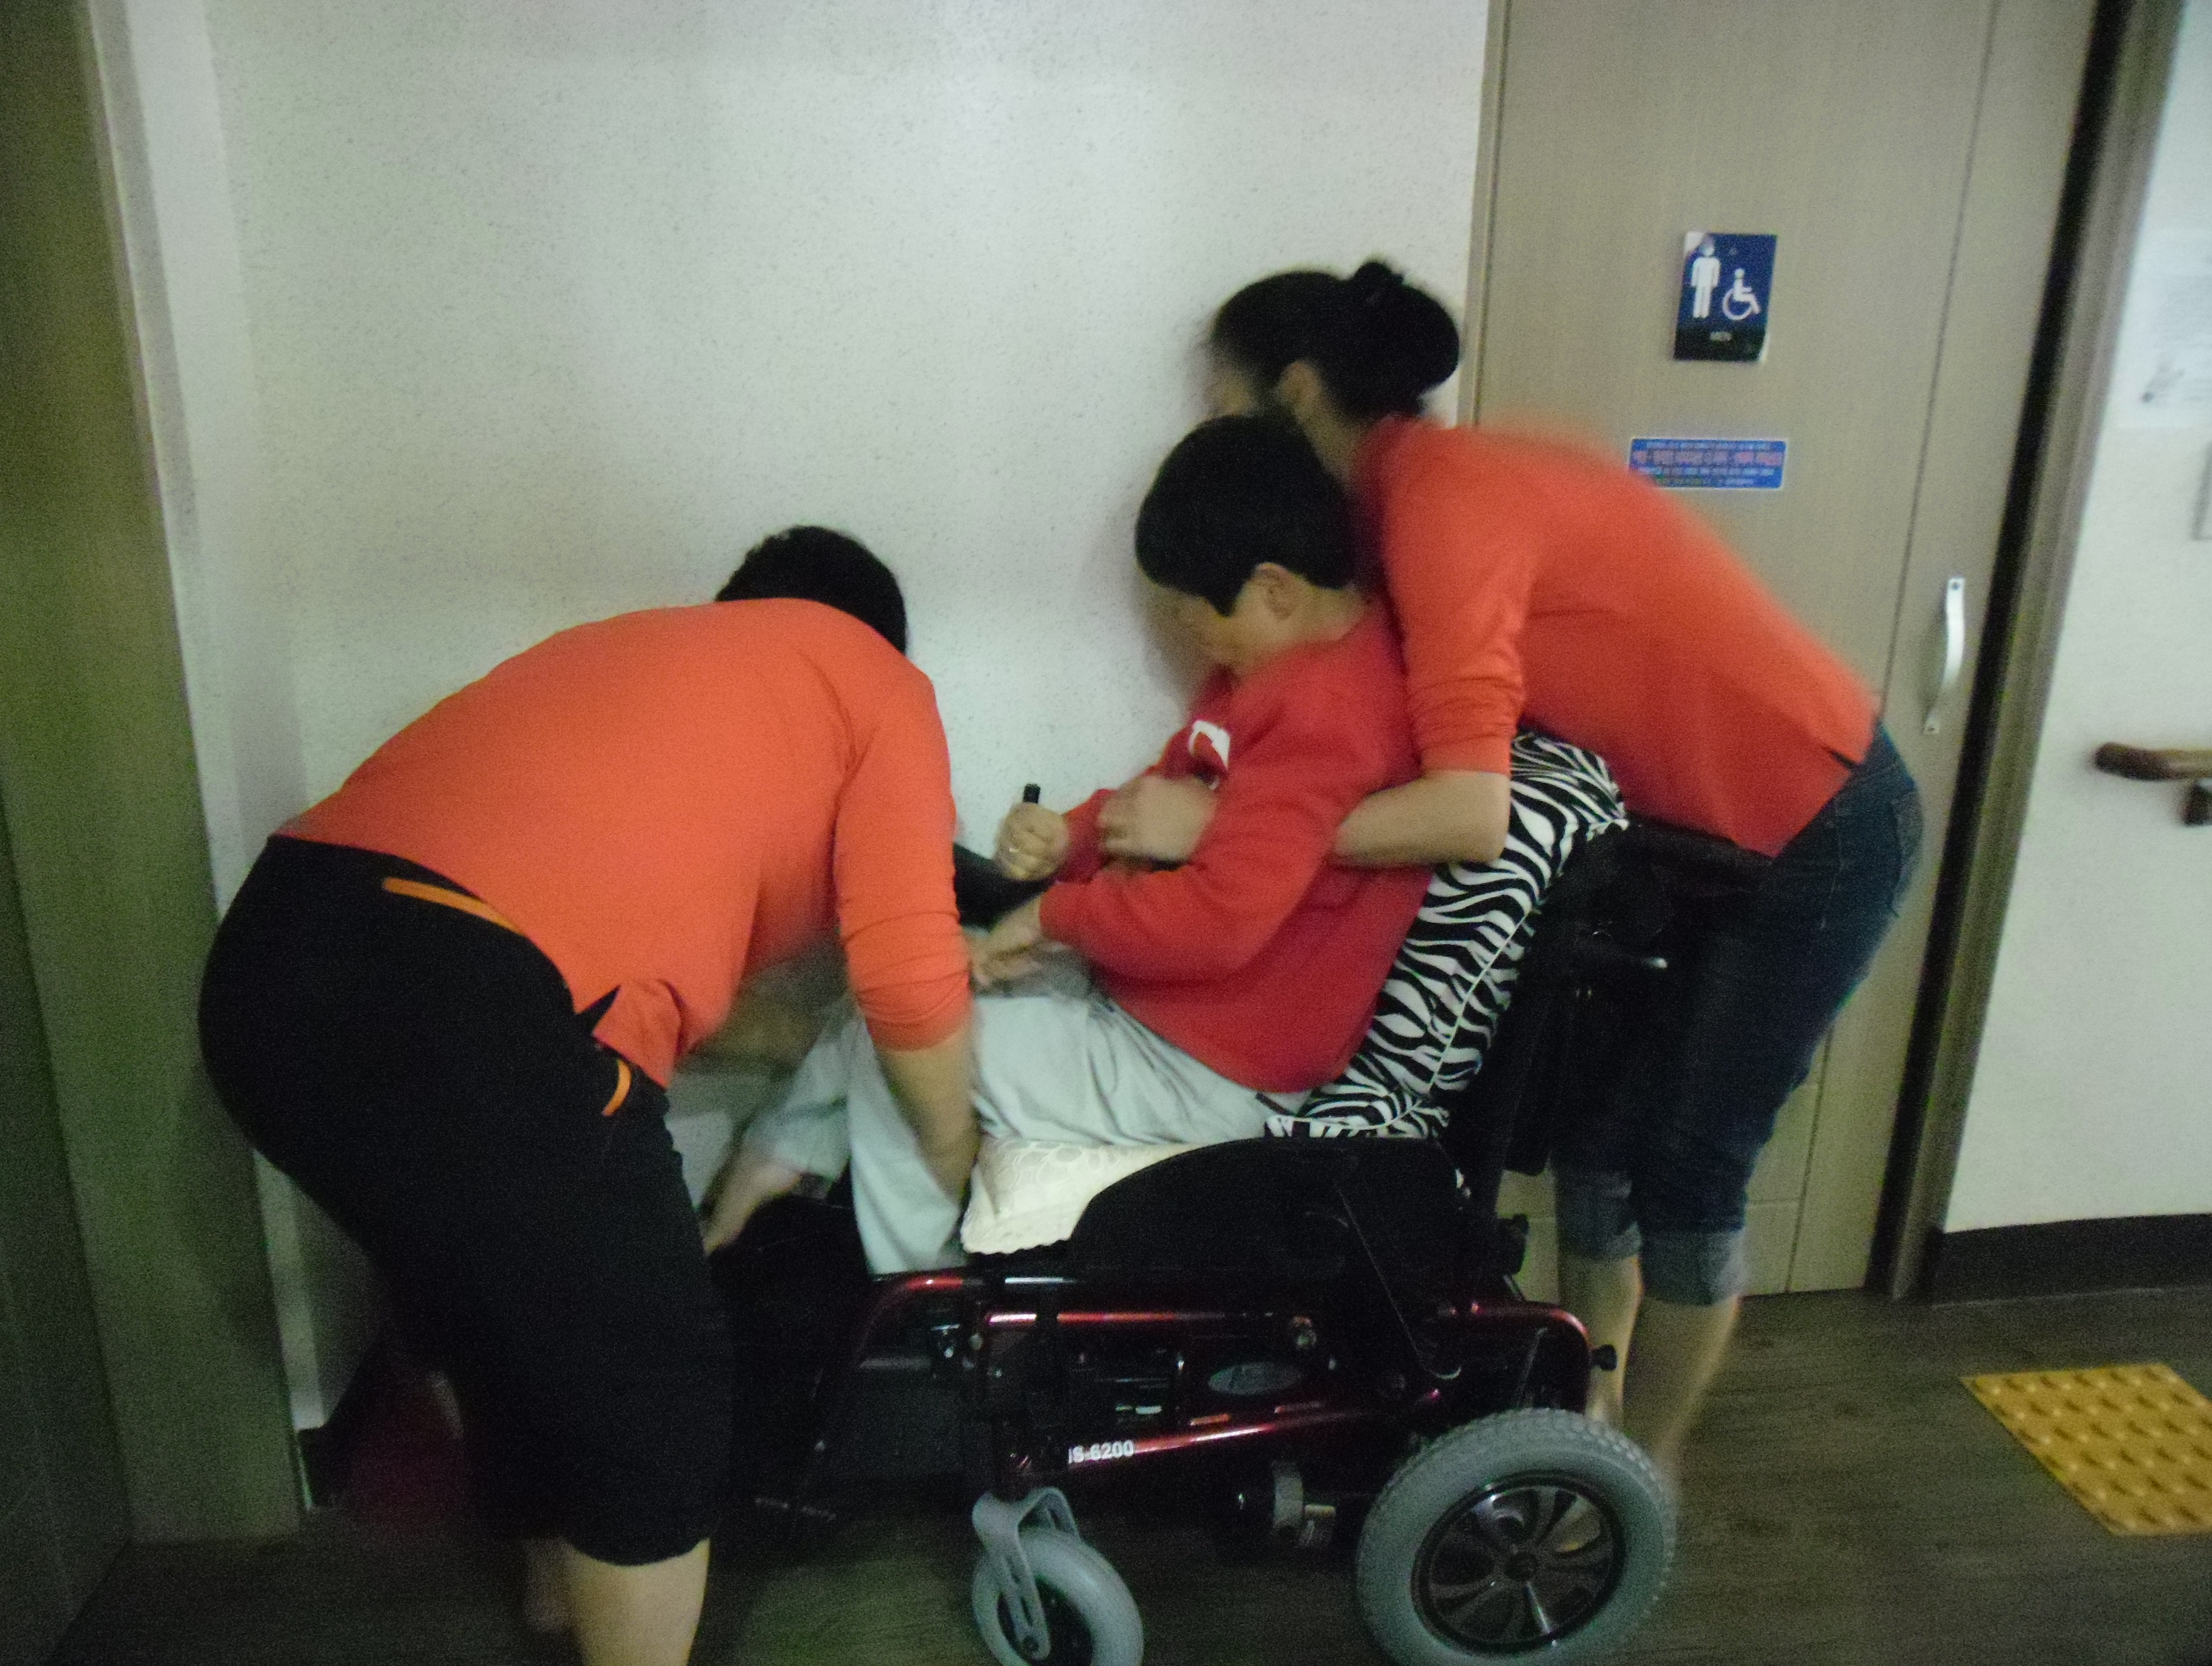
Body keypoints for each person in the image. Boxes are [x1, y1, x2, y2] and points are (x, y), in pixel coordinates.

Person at [1099, 262, 1922, 1483]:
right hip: (1693, 839)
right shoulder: (1396, 509)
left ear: (1298, 391)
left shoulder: (1447, 503)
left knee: (1689, 1167)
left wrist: (1218, 836)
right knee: (1601, 1146)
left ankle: (1640, 1477)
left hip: (1819, 824)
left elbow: (1468, 814)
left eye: (1222, 404)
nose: (1213, 434)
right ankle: (1590, 1435)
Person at [197, 527, 974, 1666]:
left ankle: (556, 1594)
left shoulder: (633, 661)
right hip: (457, 980)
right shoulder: (876, 682)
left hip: (268, 968)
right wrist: (952, 1152)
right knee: (653, 1384)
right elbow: (911, 978)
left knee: (503, 1314)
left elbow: (613, 948)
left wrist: (797, 1046)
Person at [708, 416, 1431, 1272]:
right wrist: (1071, 837)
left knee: (903, 1046)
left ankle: (916, 1292)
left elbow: (1222, 919)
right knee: (893, 991)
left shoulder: (1332, 719)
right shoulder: (1274, 672)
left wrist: (1052, 914)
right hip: (1149, 1010)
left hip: (1198, 1068)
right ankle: (749, 1206)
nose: (1196, 644)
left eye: (1200, 621)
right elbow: (1161, 798)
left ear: (1273, 590)